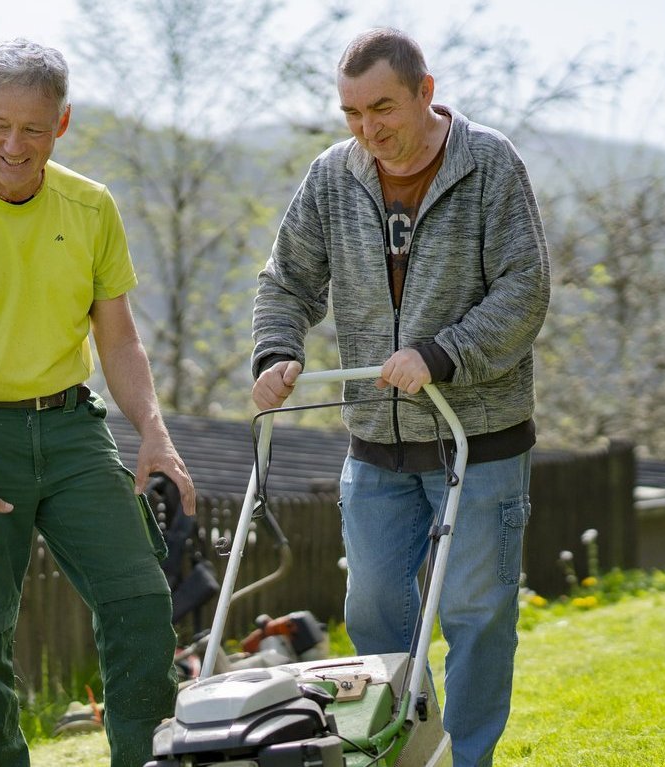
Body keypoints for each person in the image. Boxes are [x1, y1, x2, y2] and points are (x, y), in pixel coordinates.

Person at [0, 39, 194, 767]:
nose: (13, 145)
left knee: (142, 601)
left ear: (63, 124)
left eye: (33, 129)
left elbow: (119, 341)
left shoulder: (90, 207)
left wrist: (154, 431)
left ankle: (147, 758)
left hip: (73, 429)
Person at [249, 27, 550, 767]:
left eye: (381, 107)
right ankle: (407, 748)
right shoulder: (332, 177)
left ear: (425, 91)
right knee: (374, 606)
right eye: (351, 113)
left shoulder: (490, 165)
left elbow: (525, 288)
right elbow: (285, 280)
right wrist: (278, 352)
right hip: (376, 446)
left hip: (477, 437)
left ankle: (469, 757)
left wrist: (440, 354)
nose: (367, 129)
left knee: (476, 613)